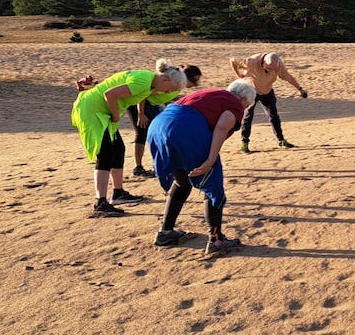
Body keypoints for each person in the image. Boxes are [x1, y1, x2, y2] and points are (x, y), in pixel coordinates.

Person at [147, 79, 257, 256]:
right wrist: (211, 159)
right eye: (247, 105)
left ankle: (165, 233)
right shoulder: (235, 104)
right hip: (184, 128)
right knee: (212, 184)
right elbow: (222, 126)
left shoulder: (212, 94)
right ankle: (217, 240)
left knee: (182, 181)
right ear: (244, 100)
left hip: (159, 126)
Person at [71, 60, 188, 217]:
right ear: (166, 79)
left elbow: (136, 95)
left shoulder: (151, 85)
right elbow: (109, 94)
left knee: (118, 149)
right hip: (92, 110)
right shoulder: (143, 81)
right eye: (170, 89)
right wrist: (115, 114)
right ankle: (100, 203)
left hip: (102, 112)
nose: (168, 93)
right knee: (105, 153)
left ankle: (118, 193)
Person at [127, 64, 202, 177]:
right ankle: (139, 167)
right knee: (142, 133)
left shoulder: (178, 86)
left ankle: (161, 165)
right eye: (195, 81)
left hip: (152, 106)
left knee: (161, 133)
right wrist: (141, 114)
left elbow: (165, 98)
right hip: (139, 104)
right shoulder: (173, 83)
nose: (195, 84)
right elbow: (143, 94)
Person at [229, 52, 307, 153]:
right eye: (268, 69)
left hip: (267, 91)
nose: (270, 71)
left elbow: (288, 77)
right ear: (263, 62)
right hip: (251, 91)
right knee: (248, 117)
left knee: (274, 116)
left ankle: (281, 141)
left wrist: (300, 89)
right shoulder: (251, 62)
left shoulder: (278, 64)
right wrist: (240, 75)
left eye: (273, 70)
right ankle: (245, 144)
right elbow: (232, 60)